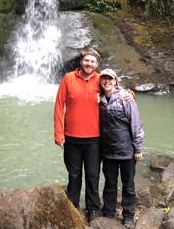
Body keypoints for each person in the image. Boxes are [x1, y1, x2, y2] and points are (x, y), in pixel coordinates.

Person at [53, 48, 103, 222]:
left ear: (97, 64)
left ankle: (93, 208)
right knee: (74, 175)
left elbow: (117, 93)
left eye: (92, 61)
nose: (89, 64)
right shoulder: (68, 78)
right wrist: (58, 133)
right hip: (72, 137)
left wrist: (131, 94)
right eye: (86, 60)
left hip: (95, 138)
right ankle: (73, 206)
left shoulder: (102, 79)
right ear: (81, 61)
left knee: (92, 174)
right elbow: (59, 106)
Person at [98, 68, 144, 229]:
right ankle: (109, 212)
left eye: (110, 79)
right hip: (108, 151)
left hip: (126, 151)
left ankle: (129, 216)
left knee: (128, 185)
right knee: (109, 183)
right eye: (104, 78)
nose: (107, 81)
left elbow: (136, 124)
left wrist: (138, 149)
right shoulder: (99, 99)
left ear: (116, 81)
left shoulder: (126, 99)